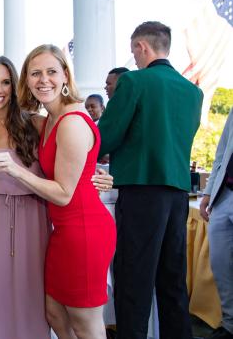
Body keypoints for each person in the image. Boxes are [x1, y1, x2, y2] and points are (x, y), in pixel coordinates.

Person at [0, 44, 116, 339]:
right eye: (35, 73)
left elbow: (62, 193)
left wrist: (13, 169)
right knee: (55, 313)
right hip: (63, 232)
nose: (43, 80)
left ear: (65, 76)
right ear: (27, 81)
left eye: (51, 72)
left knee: (86, 324)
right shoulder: (49, 119)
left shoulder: (70, 121)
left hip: (84, 231)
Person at [98, 21, 203, 339]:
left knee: (134, 279)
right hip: (178, 194)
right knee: (172, 280)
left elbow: (108, 134)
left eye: (134, 51)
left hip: (142, 190)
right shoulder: (193, 91)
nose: (135, 58)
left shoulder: (134, 81)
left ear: (141, 47)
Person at [0, 55, 51, 339]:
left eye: (5, 82)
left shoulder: (37, 124)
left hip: (35, 217)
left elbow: (66, 168)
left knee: (34, 298)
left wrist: (96, 177)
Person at [199, 108, 233, 339]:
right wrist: (210, 191)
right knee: (221, 266)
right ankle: (230, 324)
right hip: (225, 195)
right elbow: (222, 152)